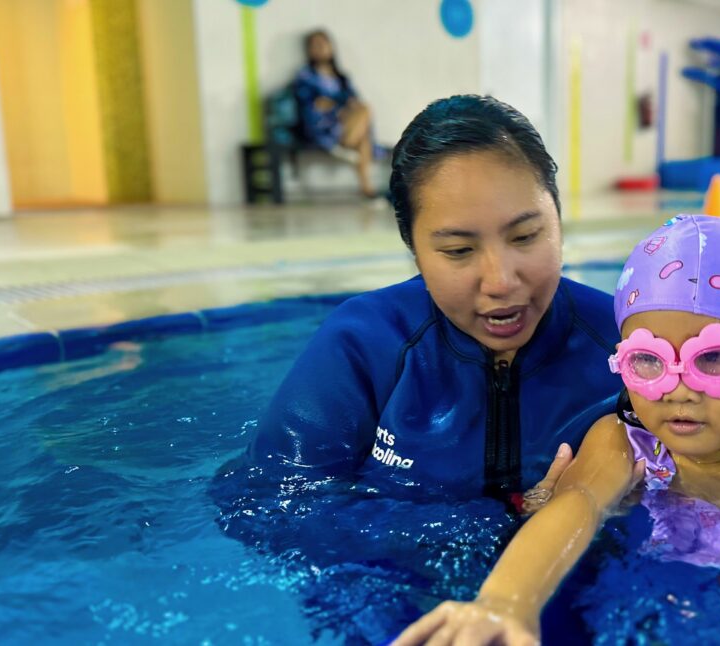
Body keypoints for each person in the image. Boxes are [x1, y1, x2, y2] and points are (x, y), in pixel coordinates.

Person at [395, 215, 720, 645]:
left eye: (713, 359)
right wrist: (504, 604)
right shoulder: (625, 439)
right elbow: (577, 503)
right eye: (649, 360)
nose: (679, 390)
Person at [247, 94, 624, 503]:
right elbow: (271, 504)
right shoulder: (360, 346)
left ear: (558, 220)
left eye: (525, 236)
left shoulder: (626, 347)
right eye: (459, 250)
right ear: (414, 251)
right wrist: (516, 524)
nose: (500, 281)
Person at [294, 29, 377, 198]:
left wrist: (341, 104)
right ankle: (346, 149)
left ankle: (367, 190)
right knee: (363, 124)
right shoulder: (306, 76)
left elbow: (352, 101)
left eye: (323, 44)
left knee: (363, 114)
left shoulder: (342, 78)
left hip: (344, 123)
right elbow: (314, 104)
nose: (320, 48)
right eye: (315, 45)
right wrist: (339, 104)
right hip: (321, 126)